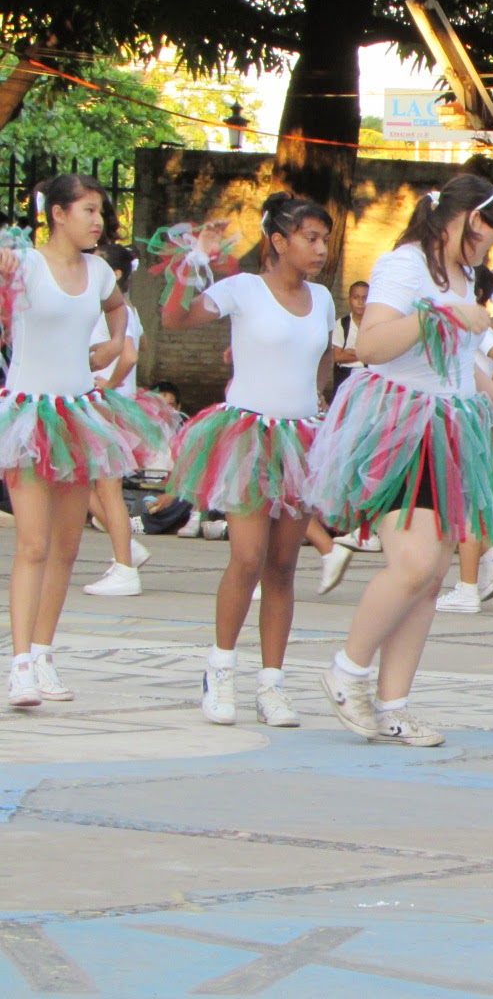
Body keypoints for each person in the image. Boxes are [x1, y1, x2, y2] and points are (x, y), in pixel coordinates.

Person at [307, 174, 493, 747]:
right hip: (402, 425)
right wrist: (445, 316)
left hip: (451, 425)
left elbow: (454, 359)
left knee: (429, 577)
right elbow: (371, 347)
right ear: (470, 217)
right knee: (414, 564)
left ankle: (394, 702)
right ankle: (348, 670)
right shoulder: (403, 265)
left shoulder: (462, 273)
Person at [162, 192, 337, 726]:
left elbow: (326, 354)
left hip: (300, 439)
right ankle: (220, 671)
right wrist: (192, 262)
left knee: (283, 566)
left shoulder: (325, 299)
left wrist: (318, 399)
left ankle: (272, 684)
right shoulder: (243, 289)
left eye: (325, 239)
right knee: (247, 556)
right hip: (248, 436)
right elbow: (176, 321)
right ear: (279, 242)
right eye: (310, 238)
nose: (320, 248)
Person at [0, 174, 168, 707]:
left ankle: (45, 654)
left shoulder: (98, 271)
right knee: (32, 542)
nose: (99, 221)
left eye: (101, 212)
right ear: (58, 213)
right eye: (89, 210)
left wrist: (115, 343)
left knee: (68, 546)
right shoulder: (22, 263)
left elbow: (118, 309)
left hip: (77, 415)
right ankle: (20, 663)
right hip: (29, 415)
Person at [434, 272, 493, 614]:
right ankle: (488, 558)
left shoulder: (472, 324)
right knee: (462, 498)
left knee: (465, 499)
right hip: (466, 413)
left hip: (466, 415)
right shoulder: (464, 322)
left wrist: (492, 401)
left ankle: (469, 583)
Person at [82, 239, 152, 596]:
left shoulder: (112, 310)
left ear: (116, 274)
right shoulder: (125, 309)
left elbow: (128, 355)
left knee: (106, 486)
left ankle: (125, 566)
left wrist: (106, 384)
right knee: (80, 484)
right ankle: (126, 546)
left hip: (105, 404)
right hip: (105, 403)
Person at [329, 279, 368, 394]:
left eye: (365, 298)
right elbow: (338, 357)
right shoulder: (341, 324)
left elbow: (379, 354)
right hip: (345, 376)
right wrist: (364, 354)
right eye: (356, 297)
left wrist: (351, 352)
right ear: (350, 300)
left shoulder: (374, 325)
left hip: (368, 376)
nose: (360, 302)